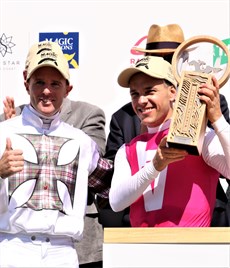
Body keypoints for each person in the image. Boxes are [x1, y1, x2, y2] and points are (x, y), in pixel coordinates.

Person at [103, 23, 230, 227]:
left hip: (197, 248)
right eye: (135, 93)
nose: (142, 100)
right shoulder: (127, 148)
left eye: (149, 90)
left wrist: (217, 119)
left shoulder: (200, 134)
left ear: (173, 91)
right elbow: (116, 202)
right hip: (142, 249)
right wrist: (155, 166)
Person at [0, 40, 107, 268]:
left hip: (64, 253)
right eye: (39, 82)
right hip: (11, 250)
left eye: (55, 83)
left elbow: (112, 189)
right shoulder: (3, 133)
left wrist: (154, 163)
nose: (47, 91)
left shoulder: (82, 141)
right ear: (26, 83)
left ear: (68, 89)